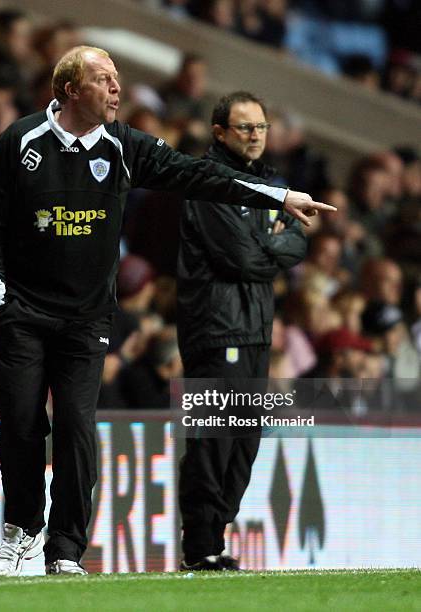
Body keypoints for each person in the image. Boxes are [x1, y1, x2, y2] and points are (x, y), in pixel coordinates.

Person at [0, 47, 333, 578]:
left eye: (117, 78)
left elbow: (196, 175)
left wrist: (276, 198)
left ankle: (65, 548)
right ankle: (22, 530)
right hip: (23, 312)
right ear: (71, 90)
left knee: (76, 424)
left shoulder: (124, 147)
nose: (117, 88)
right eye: (103, 80)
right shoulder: (20, 142)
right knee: (22, 421)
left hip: (87, 318)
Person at [176, 91, 308, 571]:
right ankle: (201, 544)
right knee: (215, 437)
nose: (255, 136)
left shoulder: (268, 187)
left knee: (246, 437)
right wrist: (269, 242)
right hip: (216, 328)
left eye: (261, 127)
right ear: (219, 133)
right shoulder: (209, 183)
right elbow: (242, 258)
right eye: (244, 127)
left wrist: (271, 243)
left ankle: (216, 532)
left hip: (253, 328)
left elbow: (297, 242)